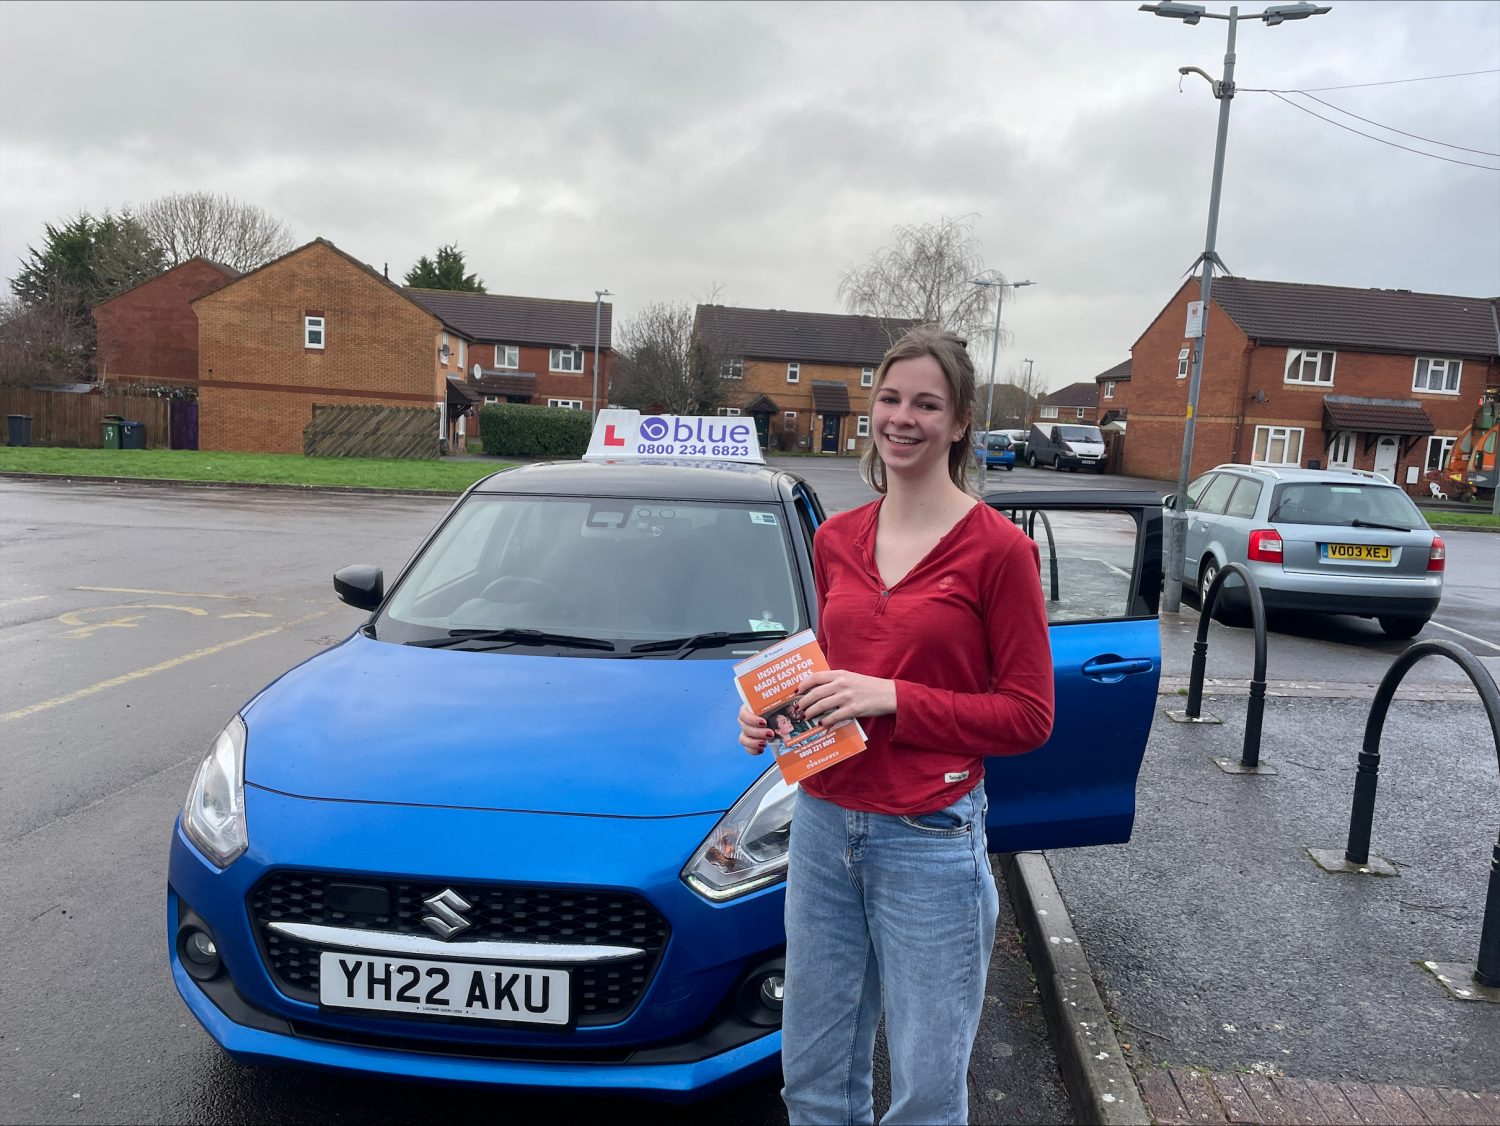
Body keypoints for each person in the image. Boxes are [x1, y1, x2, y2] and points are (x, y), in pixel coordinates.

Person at [737, 324, 1054, 1125]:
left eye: (926, 403)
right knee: (811, 1072)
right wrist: (772, 717)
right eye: (889, 398)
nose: (902, 417)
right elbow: (828, 675)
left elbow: (1027, 716)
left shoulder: (1000, 552)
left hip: (930, 836)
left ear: (959, 422)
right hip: (822, 826)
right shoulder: (836, 539)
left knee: (925, 1087)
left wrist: (893, 698)